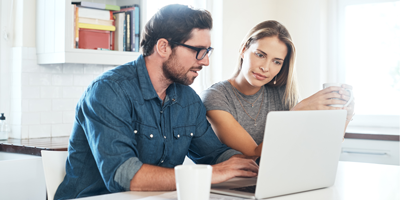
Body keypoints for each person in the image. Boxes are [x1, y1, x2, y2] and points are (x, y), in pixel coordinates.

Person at [54, 4, 258, 200]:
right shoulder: (108, 91)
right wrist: (212, 173)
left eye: (207, 52)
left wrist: (252, 166)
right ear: (163, 47)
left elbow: (214, 154)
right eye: (198, 51)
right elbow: (125, 176)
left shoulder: (188, 100)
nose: (205, 61)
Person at [201, 20, 355, 158]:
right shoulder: (216, 96)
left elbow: (317, 149)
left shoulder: (282, 94)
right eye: (260, 55)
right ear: (243, 49)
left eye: (276, 61)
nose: (265, 68)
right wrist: (298, 112)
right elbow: (253, 154)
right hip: (237, 184)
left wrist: (344, 119)